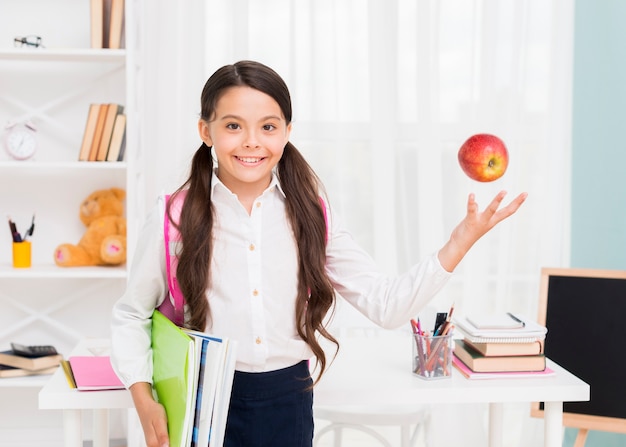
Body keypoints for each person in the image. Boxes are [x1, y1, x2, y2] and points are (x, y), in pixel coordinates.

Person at [111, 60, 527, 447]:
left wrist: (461, 240)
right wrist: (143, 397)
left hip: (287, 401)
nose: (252, 142)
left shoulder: (311, 215)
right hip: (201, 399)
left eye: (268, 127)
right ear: (206, 131)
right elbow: (132, 314)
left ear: (287, 131)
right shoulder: (173, 215)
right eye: (234, 126)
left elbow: (387, 306)